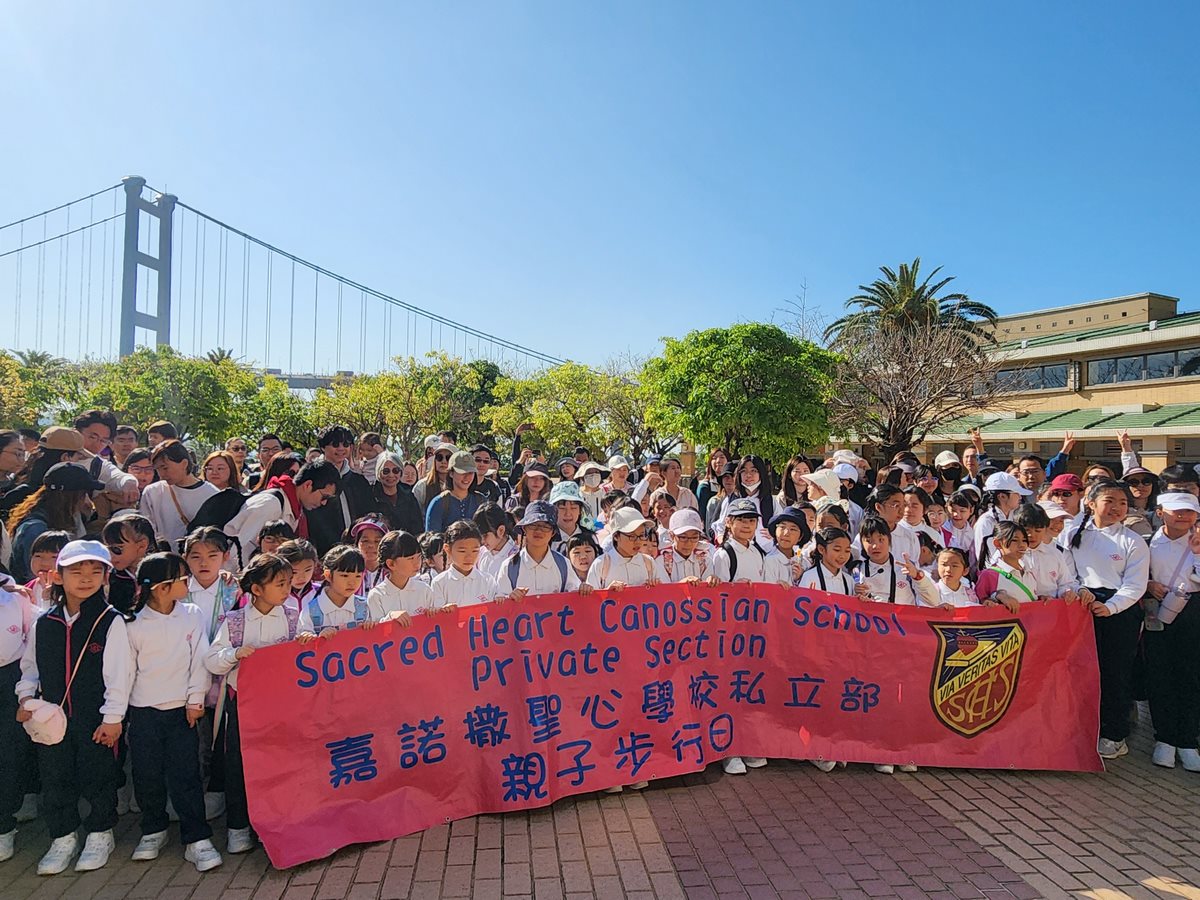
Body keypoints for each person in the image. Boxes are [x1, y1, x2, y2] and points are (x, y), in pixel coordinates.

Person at [16, 541, 132, 875]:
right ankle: (62, 836)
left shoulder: (110, 620)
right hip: (51, 719)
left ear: (106, 576)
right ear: (59, 575)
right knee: (55, 776)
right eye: (76, 571)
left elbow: (119, 674)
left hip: (95, 718)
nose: (86, 578)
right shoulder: (45, 622)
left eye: (95, 571)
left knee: (99, 775)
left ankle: (100, 833)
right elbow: (30, 667)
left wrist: (113, 718)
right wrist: (25, 697)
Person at [125, 552, 222, 872]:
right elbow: (123, 672)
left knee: (186, 775)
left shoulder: (192, 614)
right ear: (161, 587)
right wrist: (117, 715)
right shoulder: (131, 624)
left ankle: (197, 838)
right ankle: (153, 829)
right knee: (147, 774)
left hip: (182, 712)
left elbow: (200, 660)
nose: (188, 583)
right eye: (182, 579)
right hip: (143, 713)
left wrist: (195, 701)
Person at [204, 553, 299, 855]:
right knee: (239, 766)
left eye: (288, 583)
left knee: (280, 765)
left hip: (282, 705)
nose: (287, 589)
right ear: (256, 589)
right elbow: (212, 660)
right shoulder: (235, 621)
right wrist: (234, 654)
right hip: (243, 706)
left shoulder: (292, 616)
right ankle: (238, 827)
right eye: (280, 584)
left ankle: (275, 824)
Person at [1063, 479, 1148, 759]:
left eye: (1122, 502)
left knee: (1114, 673)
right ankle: (1080, 728)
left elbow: (1135, 584)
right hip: (1081, 606)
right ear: (1091, 503)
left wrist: (1111, 607)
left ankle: (1114, 734)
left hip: (1118, 613)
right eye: (1109, 501)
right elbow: (1066, 573)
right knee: (1078, 672)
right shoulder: (1072, 533)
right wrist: (1079, 591)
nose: (1116, 508)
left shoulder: (1132, 540)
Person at [1144, 492, 1200, 770]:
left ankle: (1188, 741)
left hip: (1193, 611)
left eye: (1189, 512)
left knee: (1191, 676)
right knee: (1160, 675)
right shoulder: (1146, 543)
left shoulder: (1197, 542)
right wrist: (1148, 585)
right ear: (1160, 512)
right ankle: (1164, 739)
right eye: (1176, 511)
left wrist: (1198, 553)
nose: (1183, 516)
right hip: (1157, 611)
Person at [223, 460, 340, 566]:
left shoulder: (293, 506)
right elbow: (239, 553)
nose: (324, 502)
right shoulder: (270, 505)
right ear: (308, 485)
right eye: (325, 497)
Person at [9, 463, 105, 583]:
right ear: (72, 497)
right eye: (84, 493)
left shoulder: (68, 518)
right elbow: (34, 575)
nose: (86, 499)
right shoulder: (36, 529)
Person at [0, 556, 37, 863]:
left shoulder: (15, 597)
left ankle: (3, 826)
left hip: (9, 679)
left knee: (8, 754)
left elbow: (37, 635)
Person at [307, 426, 374, 557]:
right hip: (322, 550)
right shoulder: (312, 478)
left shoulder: (358, 481)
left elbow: (368, 512)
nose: (341, 448)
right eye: (335, 444)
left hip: (356, 551)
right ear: (323, 447)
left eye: (346, 444)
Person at [140, 441, 219, 548]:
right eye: (157, 469)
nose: (161, 475)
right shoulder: (153, 492)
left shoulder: (212, 494)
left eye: (165, 468)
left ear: (184, 463)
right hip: (163, 555)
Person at [498, 503, 582, 598]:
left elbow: (575, 596)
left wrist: (583, 590)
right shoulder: (509, 566)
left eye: (545, 526)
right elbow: (500, 600)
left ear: (553, 532)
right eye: (533, 525)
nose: (538, 531)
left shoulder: (563, 564)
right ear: (524, 528)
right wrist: (510, 598)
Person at [853, 516, 938, 607]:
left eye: (881, 540)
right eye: (869, 541)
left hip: (903, 616)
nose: (875, 546)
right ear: (861, 543)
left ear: (889, 540)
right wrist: (855, 596)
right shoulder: (857, 571)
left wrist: (917, 576)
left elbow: (934, 601)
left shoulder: (905, 568)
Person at [1012, 503, 1080, 603]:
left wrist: (1066, 592)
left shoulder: (1055, 554)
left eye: (1038, 531)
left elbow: (1066, 583)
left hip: (1049, 608)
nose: (1031, 535)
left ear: (1045, 529)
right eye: (1027, 530)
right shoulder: (1009, 554)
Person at [297, 546, 371, 636]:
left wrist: (371, 628)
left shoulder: (366, 607)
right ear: (328, 575)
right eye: (345, 576)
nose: (352, 582)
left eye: (358, 576)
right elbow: (303, 639)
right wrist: (317, 638)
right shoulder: (310, 611)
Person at [367, 530, 436, 621]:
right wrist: (390, 618)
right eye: (410, 558)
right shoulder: (376, 596)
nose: (417, 563)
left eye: (419, 556)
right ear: (391, 564)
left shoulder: (424, 590)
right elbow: (376, 628)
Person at [586, 507, 657, 591]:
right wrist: (607, 592)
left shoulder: (648, 563)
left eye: (642, 535)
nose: (638, 541)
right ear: (616, 536)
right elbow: (591, 597)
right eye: (632, 536)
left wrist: (657, 587)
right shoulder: (601, 564)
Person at [430, 521, 498, 609]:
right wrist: (444, 611)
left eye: (475, 551)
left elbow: (495, 611)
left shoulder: (487, 580)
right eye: (462, 551)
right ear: (448, 549)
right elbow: (437, 613)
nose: (469, 557)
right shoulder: (439, 583)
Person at [974, 523, 1038, 613]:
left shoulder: (1029, 572)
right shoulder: (989, 575)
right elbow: (978, 603)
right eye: (1015, 540)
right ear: (997, 543)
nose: (1022, 545)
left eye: (1024, 540)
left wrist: (1043, 599)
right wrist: (997, 596)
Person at [102, 513, 156, 616]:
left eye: (117, 549)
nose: (110, 555)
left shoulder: (162, 572)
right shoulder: (108, 578)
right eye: (107, 548)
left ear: (142, 545)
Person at [973, 472, 1031, 568]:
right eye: (1016, 493)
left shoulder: (1015, 518)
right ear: (1002, 496)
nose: (1020, 497)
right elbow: (987, 560)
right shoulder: (986, 522)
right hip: (997, 574)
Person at [425, 451, 485, 534]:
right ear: (451, 473)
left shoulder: (481, 501)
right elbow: (432, 538)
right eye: (462, 472)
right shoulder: (439, 503)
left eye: (470, 473)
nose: (466, 477)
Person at [712, 498, 768, 583]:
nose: (747, 525)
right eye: (740, 520)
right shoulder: (723, 555)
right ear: (728, 522)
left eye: (752, 521)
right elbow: (720, 588)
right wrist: (736, 586)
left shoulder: (758, 553)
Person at [654, 509, 714, 584]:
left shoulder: (705, 561)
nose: (689, 543)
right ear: (671, 535)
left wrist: (711, 581)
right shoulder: (661, 562)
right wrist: (682, 585)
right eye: (683, 537)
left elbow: (707, 588)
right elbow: (663, 589)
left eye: (694, 537)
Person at [798, 527, 855, 596]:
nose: (842, 556)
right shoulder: (810, 577)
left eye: (847, 551)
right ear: (821, 549)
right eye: (837, 550)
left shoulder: (849, 580)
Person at [763, 507, 809, 586]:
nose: (786, 533)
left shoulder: (804, 563)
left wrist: (800, 578)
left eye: (793, 529)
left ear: (800, 537)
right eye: (782, 527)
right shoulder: (769, 561)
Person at [474, 503, 517, 581]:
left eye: (485, 536)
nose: (482, 541)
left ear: (501, 530)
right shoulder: (479, 554)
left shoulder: (516, 558)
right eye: (480, 537)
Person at [414, 442, 456, 513]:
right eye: (439, 457)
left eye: (448, 458)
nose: (443, 461)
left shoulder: (461, 485)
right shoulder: (422, 486)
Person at [278, 540, 321, 610]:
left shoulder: (321, 592)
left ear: (315, 565)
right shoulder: (273, 595)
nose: (301, 578)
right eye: (294, 572)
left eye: (307, 570)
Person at [1122, 466, 1160, 540]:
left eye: (1146, 481)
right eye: (1133, 482)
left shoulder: (1161, 510)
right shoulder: (1121, 511)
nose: (1140, 485)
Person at [693, 448, 730, 515]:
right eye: (714, 458)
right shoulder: (704, 487)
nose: (718, 461)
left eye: (722, 457)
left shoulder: (735, 485)